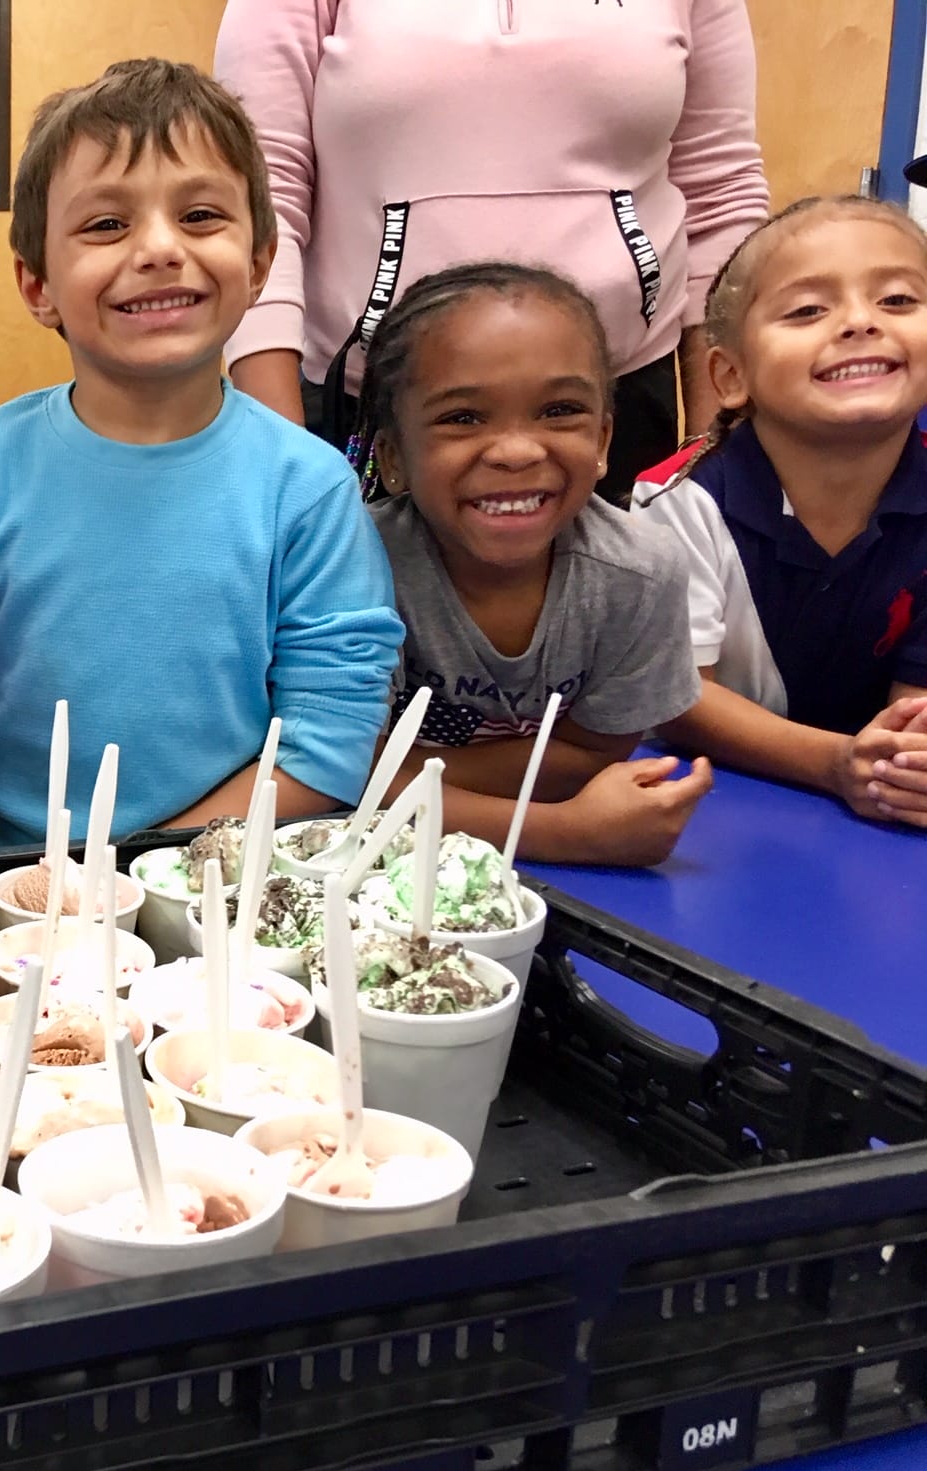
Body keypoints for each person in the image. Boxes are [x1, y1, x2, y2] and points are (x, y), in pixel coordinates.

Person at [0, 59, 402, 845]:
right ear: (37, 285)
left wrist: (146, 868)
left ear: (261, 263)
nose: (160, 248)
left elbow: (327, 745)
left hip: (218, 887)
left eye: (200, 216)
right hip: (4, 888)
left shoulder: (310, 490)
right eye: (106, 224)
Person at [215, 0, 770, 494]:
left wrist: (718, 449)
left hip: (614, 406)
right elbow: (262, 197)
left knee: (620, 602)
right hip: (379, 413)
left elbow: (719, 194)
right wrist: (282, 456)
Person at [354, 262, 712, 865]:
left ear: (602, 441)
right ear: (393, 458)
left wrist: (409, 774)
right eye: (462, 417)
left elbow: (597, 754)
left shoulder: (642, 575)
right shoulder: (354, 567)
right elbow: (348, 785)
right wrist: (570, 833)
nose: (518, 451)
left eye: (559, 411)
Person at [635, 197, 927, 828]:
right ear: (731, 376)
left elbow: (914, 709)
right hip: (716, 801)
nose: (860, 321)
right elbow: (679, 700)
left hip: (870, 814)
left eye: (898, 300)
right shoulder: (677, 504)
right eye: (807, 310)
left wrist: (902, 764)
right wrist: (838, 762)